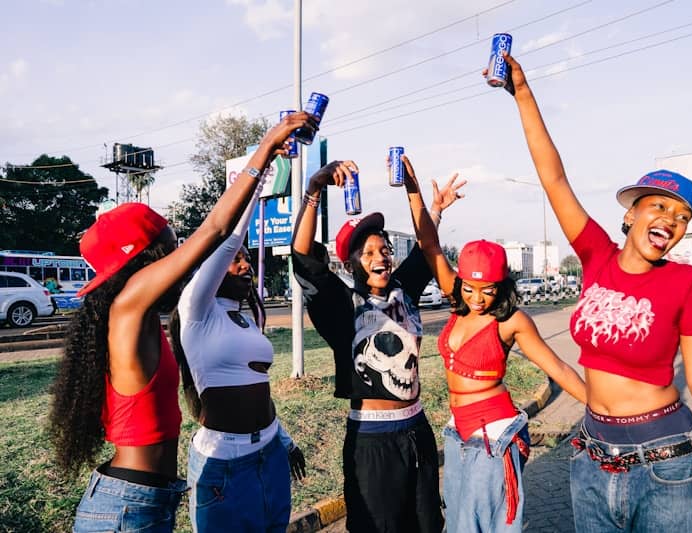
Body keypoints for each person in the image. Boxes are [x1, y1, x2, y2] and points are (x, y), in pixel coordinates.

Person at [499, 52, 692, 532]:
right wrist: (523, 94)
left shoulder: (685, 283)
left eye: (681, 216)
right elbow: (553, 178)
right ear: (630, 215)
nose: (669, 219)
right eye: (658, 206)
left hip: (668, 466)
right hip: (593, 460)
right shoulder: (595, 256)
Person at [47, 111, 317, 533]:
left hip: (145, 500)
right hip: (125, 509)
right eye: (171, 250)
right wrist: (263, 151)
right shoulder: (127, 308)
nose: (181, 262)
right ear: (144, 262)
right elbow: (216, 230)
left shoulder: (137, 321)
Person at [398, 155, 587, 532]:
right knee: (459, 523)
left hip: (493, 438)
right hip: (457, 433)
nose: (478, 298)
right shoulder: (457, 303)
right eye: (470, 288)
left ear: (501, 286)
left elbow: (559, 368)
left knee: (484, 526)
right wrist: (414, 192)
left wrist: (604, 409)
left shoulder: (511, 321)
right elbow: (429, 245)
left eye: (487, 290)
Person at [290, 159, 463, 533]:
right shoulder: (340, 306)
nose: (380, 257)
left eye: (383, 249)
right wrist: (315, 188)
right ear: (350, 264)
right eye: (367, 253)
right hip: (371, 441)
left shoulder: (404, 290)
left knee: (427, 524)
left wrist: (419, 195)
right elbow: (302, 258)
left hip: (416, 430)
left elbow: (426, 244)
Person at [169, 188, 305, 532]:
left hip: (270, 454)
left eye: (248, 260)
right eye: (237, 259)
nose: (246, 265)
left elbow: (260, 391)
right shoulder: (196, 311)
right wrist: (257, 183)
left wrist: (284, 440)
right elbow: (227, 239)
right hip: (223, 462)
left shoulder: (244, 319)